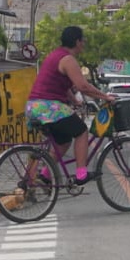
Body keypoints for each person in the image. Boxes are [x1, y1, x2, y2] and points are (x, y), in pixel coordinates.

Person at [25, 26, 114, 184]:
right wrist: (105, 96)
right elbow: (83, 86)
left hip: (35, 106)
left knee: (64, 141)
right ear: (77, 41)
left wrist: (75, 101)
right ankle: (81, 174)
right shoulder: (68, 59)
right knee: (81, 131)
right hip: (48, 107)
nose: (84, 43)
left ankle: (45, 174)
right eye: (82, 40)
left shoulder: (56, 55)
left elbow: (62, 86)